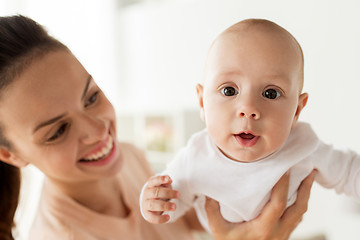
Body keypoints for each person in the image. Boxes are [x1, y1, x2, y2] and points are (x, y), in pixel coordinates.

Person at [0, 15, 314, 240]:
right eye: (58, 131)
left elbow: (183, 218)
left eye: (91, 97)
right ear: (10, 154)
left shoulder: (128, 158)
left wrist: (245, 196)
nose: (98, 132)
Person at [140, 18, 360, 234]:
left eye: (270, 93)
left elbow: (350, 172)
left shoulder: (303, 144)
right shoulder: (195, 156)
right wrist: (154, 202)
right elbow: (174, 200)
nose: (248, 108)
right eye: (229, 90)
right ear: (202, 103)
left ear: (296, 111)